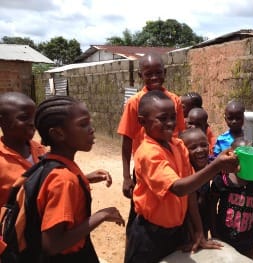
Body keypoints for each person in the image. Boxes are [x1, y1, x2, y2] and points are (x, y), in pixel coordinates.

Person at [124, 90, 239, 263]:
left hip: (177, 232)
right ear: (142, 121)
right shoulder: (148, 153)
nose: (170, 123)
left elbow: (189, 192)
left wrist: (199, 231)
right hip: (149, 236)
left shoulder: (177, 145)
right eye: (162, 118)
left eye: (173, 117)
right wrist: (217, 165)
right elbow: (179, 188)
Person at [33, 95, 125, 261]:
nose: (91, 129)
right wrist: (101, 215)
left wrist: (84, 178)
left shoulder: (50, 162)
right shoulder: (63, 180)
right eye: (83, 124)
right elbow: (52, 244)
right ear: (58, 134)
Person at [117, 53, 185, 234]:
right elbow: (127, 139)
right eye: (148, 74)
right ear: (140, 76)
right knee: (142, 210)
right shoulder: (134, 103)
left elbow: (180, 134)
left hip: (171, 164)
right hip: (146, 166)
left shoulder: (174, 100)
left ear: (166, 72)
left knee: (172, 205)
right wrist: (126, 176)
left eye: (158, 72)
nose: (154, 77)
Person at [209, 138, 253, 259]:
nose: (245, 161)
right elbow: (211, 208)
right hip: (224, 237)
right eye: (242, 157)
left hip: (248, 239)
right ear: (231, 156)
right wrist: (215, 234)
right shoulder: (222, 179)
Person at [0, 92, 46, 209]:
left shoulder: (40, 150)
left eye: (34, 117)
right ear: (2, 121)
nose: (32, 123)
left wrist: (81, 178)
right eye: (24, 118)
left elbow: (48, 180)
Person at [179, 128, 212, 238]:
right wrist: (195, 234)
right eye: (193, 147)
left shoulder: (206, 172)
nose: (200, 150)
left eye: (204, 145)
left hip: (202, 227)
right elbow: (189, 209)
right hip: (187, 233)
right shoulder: (185, 176)